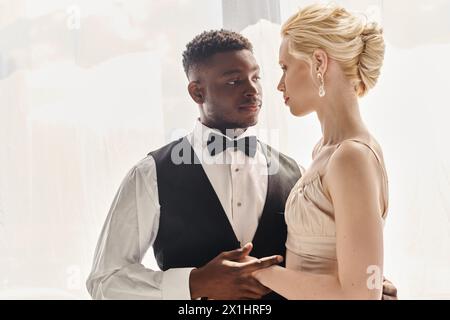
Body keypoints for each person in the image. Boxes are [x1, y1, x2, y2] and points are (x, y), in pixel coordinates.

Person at [86, 29, 397, 300]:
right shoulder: (151, 174)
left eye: (256, 77)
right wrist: (192, 284)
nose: (254, 90)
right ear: (197, 91)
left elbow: (321, 264)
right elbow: (104, 281)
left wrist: (370, 287)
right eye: (234, 81)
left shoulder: (295, 173)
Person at [253, 4, 392, 299]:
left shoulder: (351, 157)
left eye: (285, 67)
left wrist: (260, 273)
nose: (279, 85)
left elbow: (360, 296)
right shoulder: (324, 151)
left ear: (318, 62)